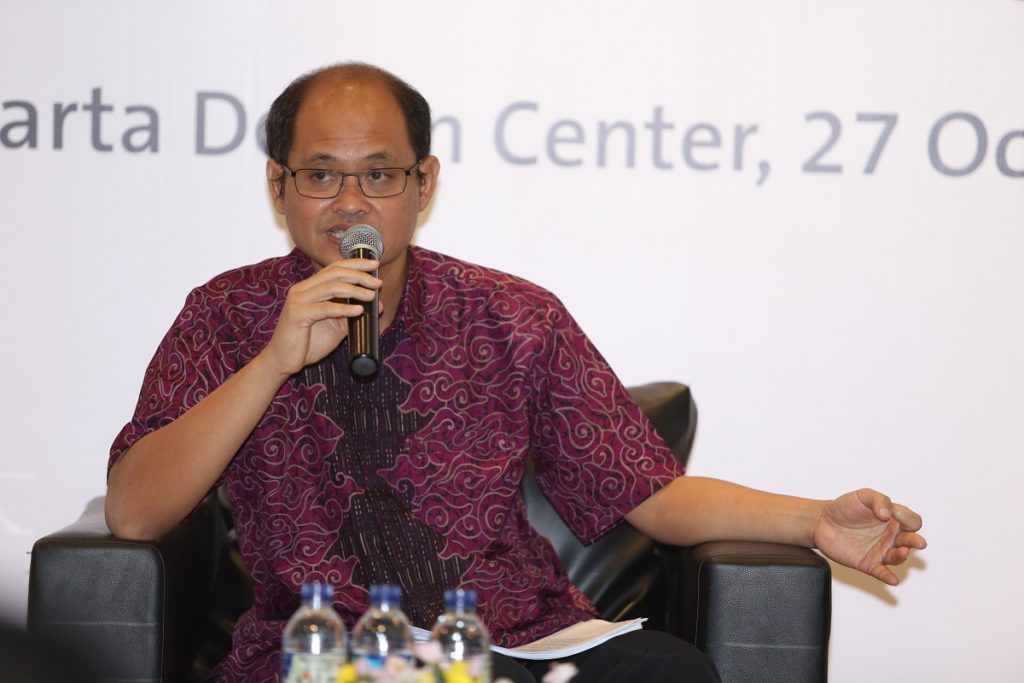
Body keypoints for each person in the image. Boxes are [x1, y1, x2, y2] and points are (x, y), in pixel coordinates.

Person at [105, 62, 926, 682]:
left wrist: (814, 520)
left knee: (671, 673)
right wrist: (273, 360)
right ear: (279, 186)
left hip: (509, 641)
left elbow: (649, 490)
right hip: (328, 654)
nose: (350, 203)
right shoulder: (226, 315)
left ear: (423, 184)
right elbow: (136, 512)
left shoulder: (511, 316)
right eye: (321, 175)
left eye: (380, 174)